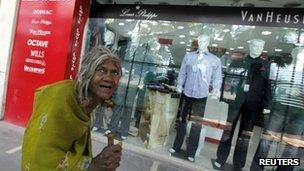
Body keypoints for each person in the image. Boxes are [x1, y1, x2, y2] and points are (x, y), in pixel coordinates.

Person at [22, 48, 123, 171]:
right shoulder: (62, 96)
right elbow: (40, 157)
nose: (109, 78)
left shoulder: (90, 104)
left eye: (115, 73)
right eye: (101, 70)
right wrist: (93, 165)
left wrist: (104, 162)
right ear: (87, 73)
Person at [212, 39, 272, 170]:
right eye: (255, 45)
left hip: (253, 104)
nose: (257, 48)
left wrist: (267, 104)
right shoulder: (238, 62)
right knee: (228, 130)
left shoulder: (266, 65)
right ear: (250, 46)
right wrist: (224, 96)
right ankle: (220, 159)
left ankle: (238, 164)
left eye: (260, 46)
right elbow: (229, 80)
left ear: (263, 48)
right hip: (236, 101)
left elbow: (268, 86)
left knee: (245, 136)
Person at [169, 34, 222, 162]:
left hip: (201, 96)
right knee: (182, 121)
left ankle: (191, 152)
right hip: (186, 93)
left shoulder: (215, 60)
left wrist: (215, 90)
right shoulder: (189, 56)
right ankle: (176, 147)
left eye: (204, 40)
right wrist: (179, 85)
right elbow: (182, 72)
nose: (201, 42)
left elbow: (217, 78)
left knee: (196, 125)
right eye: (199, 40)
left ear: (208, 42)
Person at [250, 47, 304, 171]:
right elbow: (273, 88)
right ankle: (257, 168)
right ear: (293, 55)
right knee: (266, 141)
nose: (301, 57)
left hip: (300, 113)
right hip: (279, 109)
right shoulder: (283, 69)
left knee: (292, 146)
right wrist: (285, 89)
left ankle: (283, 169)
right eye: (299, 54)